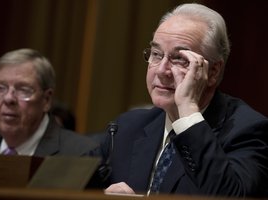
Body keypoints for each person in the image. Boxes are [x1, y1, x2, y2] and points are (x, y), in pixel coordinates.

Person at [95, 3, 268, 198]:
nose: (161, 70)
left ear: (213, 71)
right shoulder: (126, 127)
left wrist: (187, 108)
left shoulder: (248, 130)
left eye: (179, 59)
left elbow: (230, 195)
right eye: (156, 54)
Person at [0, 48, 98, 156]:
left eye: (23, 90)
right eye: (1, 88)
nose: (8, 98)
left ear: (46, 100)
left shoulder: (79, 154)